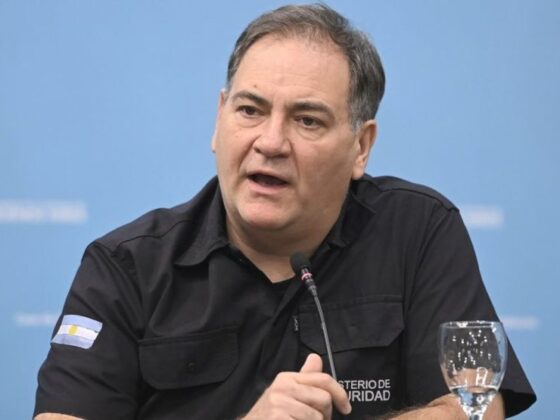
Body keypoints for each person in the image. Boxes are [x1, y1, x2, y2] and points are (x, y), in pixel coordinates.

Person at [34, 4, 536, 419]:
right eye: (250, 110)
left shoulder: (420, 229)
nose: (270, 142)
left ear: (361, 147)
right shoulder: (125, 268)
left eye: (307, 120)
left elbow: (477, 404)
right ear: (219, 120)